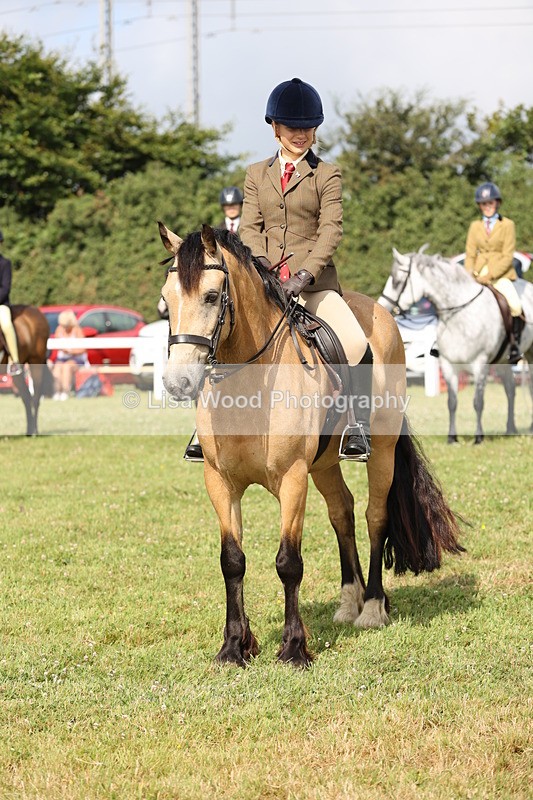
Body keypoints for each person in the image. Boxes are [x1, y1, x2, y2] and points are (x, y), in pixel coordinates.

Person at [464, 182, 523, 364]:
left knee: (515, 305)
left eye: (490, 203)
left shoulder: (508, 225)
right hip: (477, 272)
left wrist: (489, 276)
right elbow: (470, 254)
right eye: (484, 204)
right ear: (480, 205)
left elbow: (507, 256)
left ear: (497, 203)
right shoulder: (475, 226)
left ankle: (514, 344)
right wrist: (469, 275)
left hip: (501, 274)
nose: (487, 206)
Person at [0, 230, 23, 376]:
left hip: (1, 304)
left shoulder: (5, 263)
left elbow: (5, 288)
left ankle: (15, 361)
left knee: (6, 324)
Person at [51, 309, 88, 399]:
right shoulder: (59, 329)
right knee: (57, 367)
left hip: (77, 358)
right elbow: (56, 343)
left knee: (67, 367)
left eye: (66, 325)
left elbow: (83, 349)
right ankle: (57, 392)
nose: (65, 327)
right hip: (62, 358)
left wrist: (70, 351)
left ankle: (65, 392)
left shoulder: (77, 330)